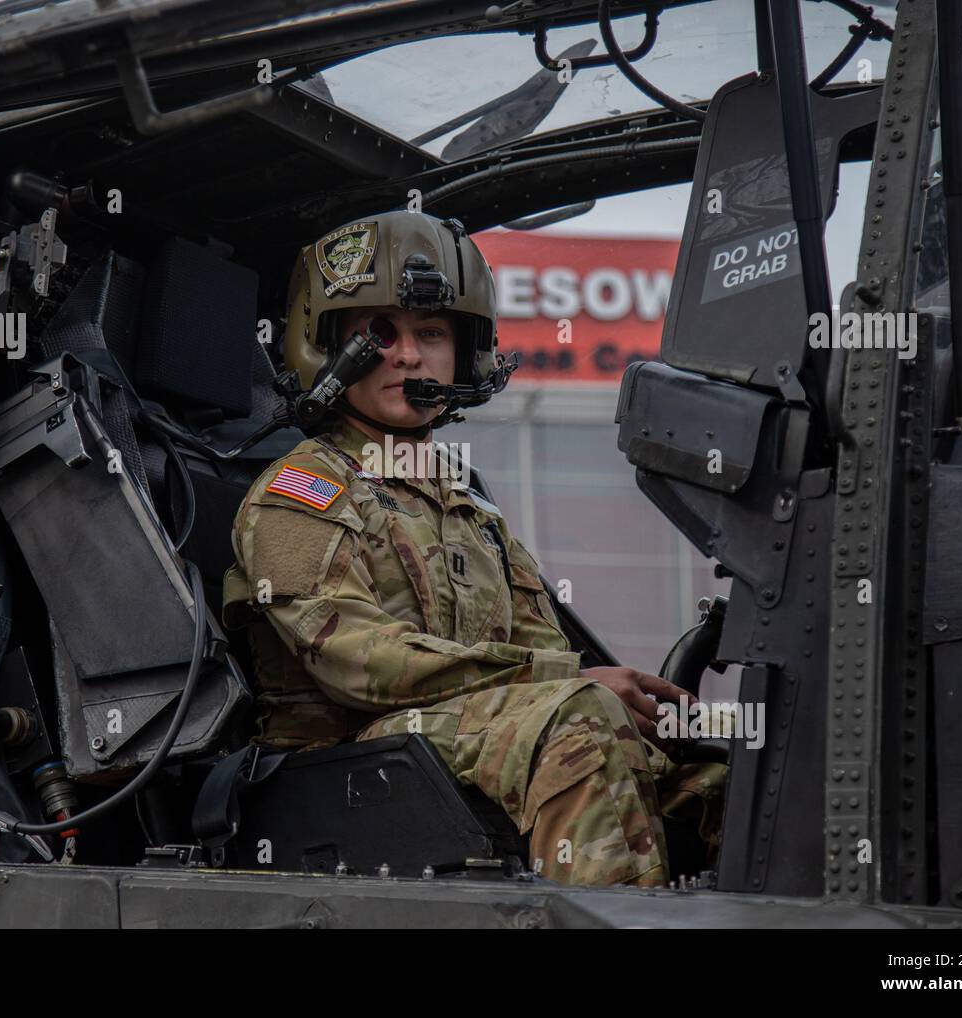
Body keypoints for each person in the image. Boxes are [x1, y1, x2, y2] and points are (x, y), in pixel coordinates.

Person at [222, 211, 725, 886]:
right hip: (343, 767)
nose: (407, 355)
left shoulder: (466, 506)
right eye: (379, 334)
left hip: (455, 741)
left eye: (430, 333)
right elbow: (358, 666)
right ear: (327, 349)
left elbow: (541, 651)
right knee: (577, 713)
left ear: (465, 351)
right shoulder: (300, 492)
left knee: (721, 773)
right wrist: (567, 685)